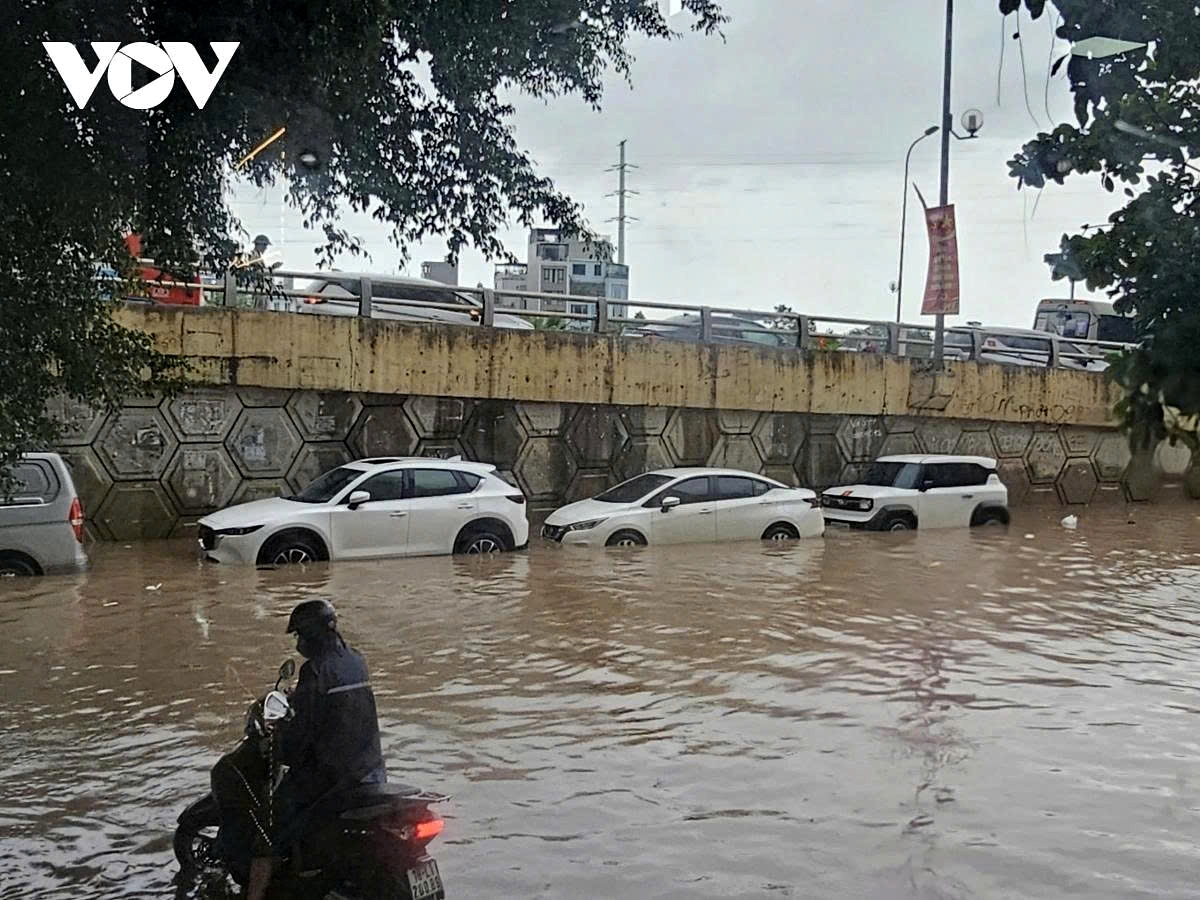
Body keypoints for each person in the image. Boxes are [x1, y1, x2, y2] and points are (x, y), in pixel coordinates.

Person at [246, 599, 386, 900]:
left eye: (299, 635)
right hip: (370, 771)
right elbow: (337, 708)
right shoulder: (356, 661)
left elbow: (301, 735)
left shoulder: (315, 671)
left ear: (312, 635)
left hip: (330, 780)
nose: (298, 642)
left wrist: (279, 745)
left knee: (267, 828)